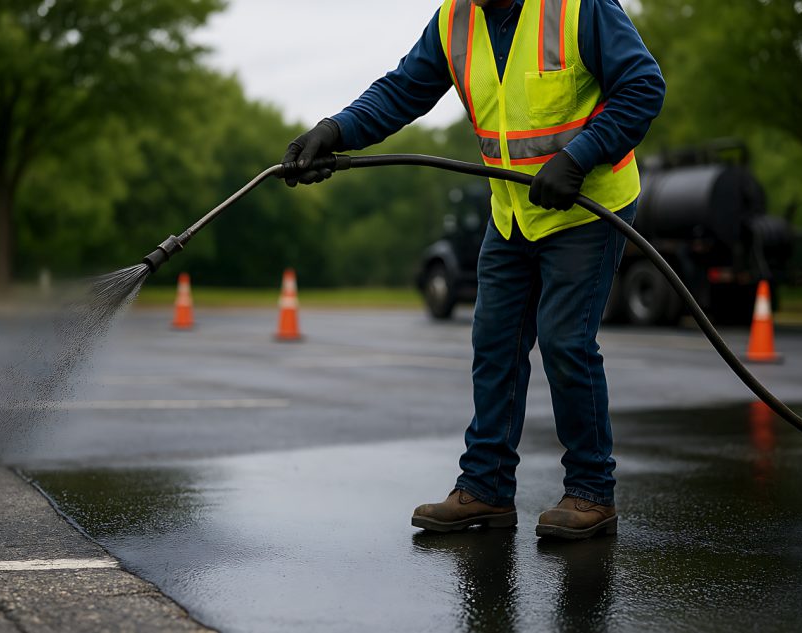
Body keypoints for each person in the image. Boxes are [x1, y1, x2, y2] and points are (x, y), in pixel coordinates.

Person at [282, 0, 665, 540]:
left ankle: (591, 492)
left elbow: (644, 86)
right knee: (494, 342)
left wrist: (581, 155)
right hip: (512, 211)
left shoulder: (579, 7)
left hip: (587, 204)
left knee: (564, 341)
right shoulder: (454, 19)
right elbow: (401, 90)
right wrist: (335, 130)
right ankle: (485, 489)